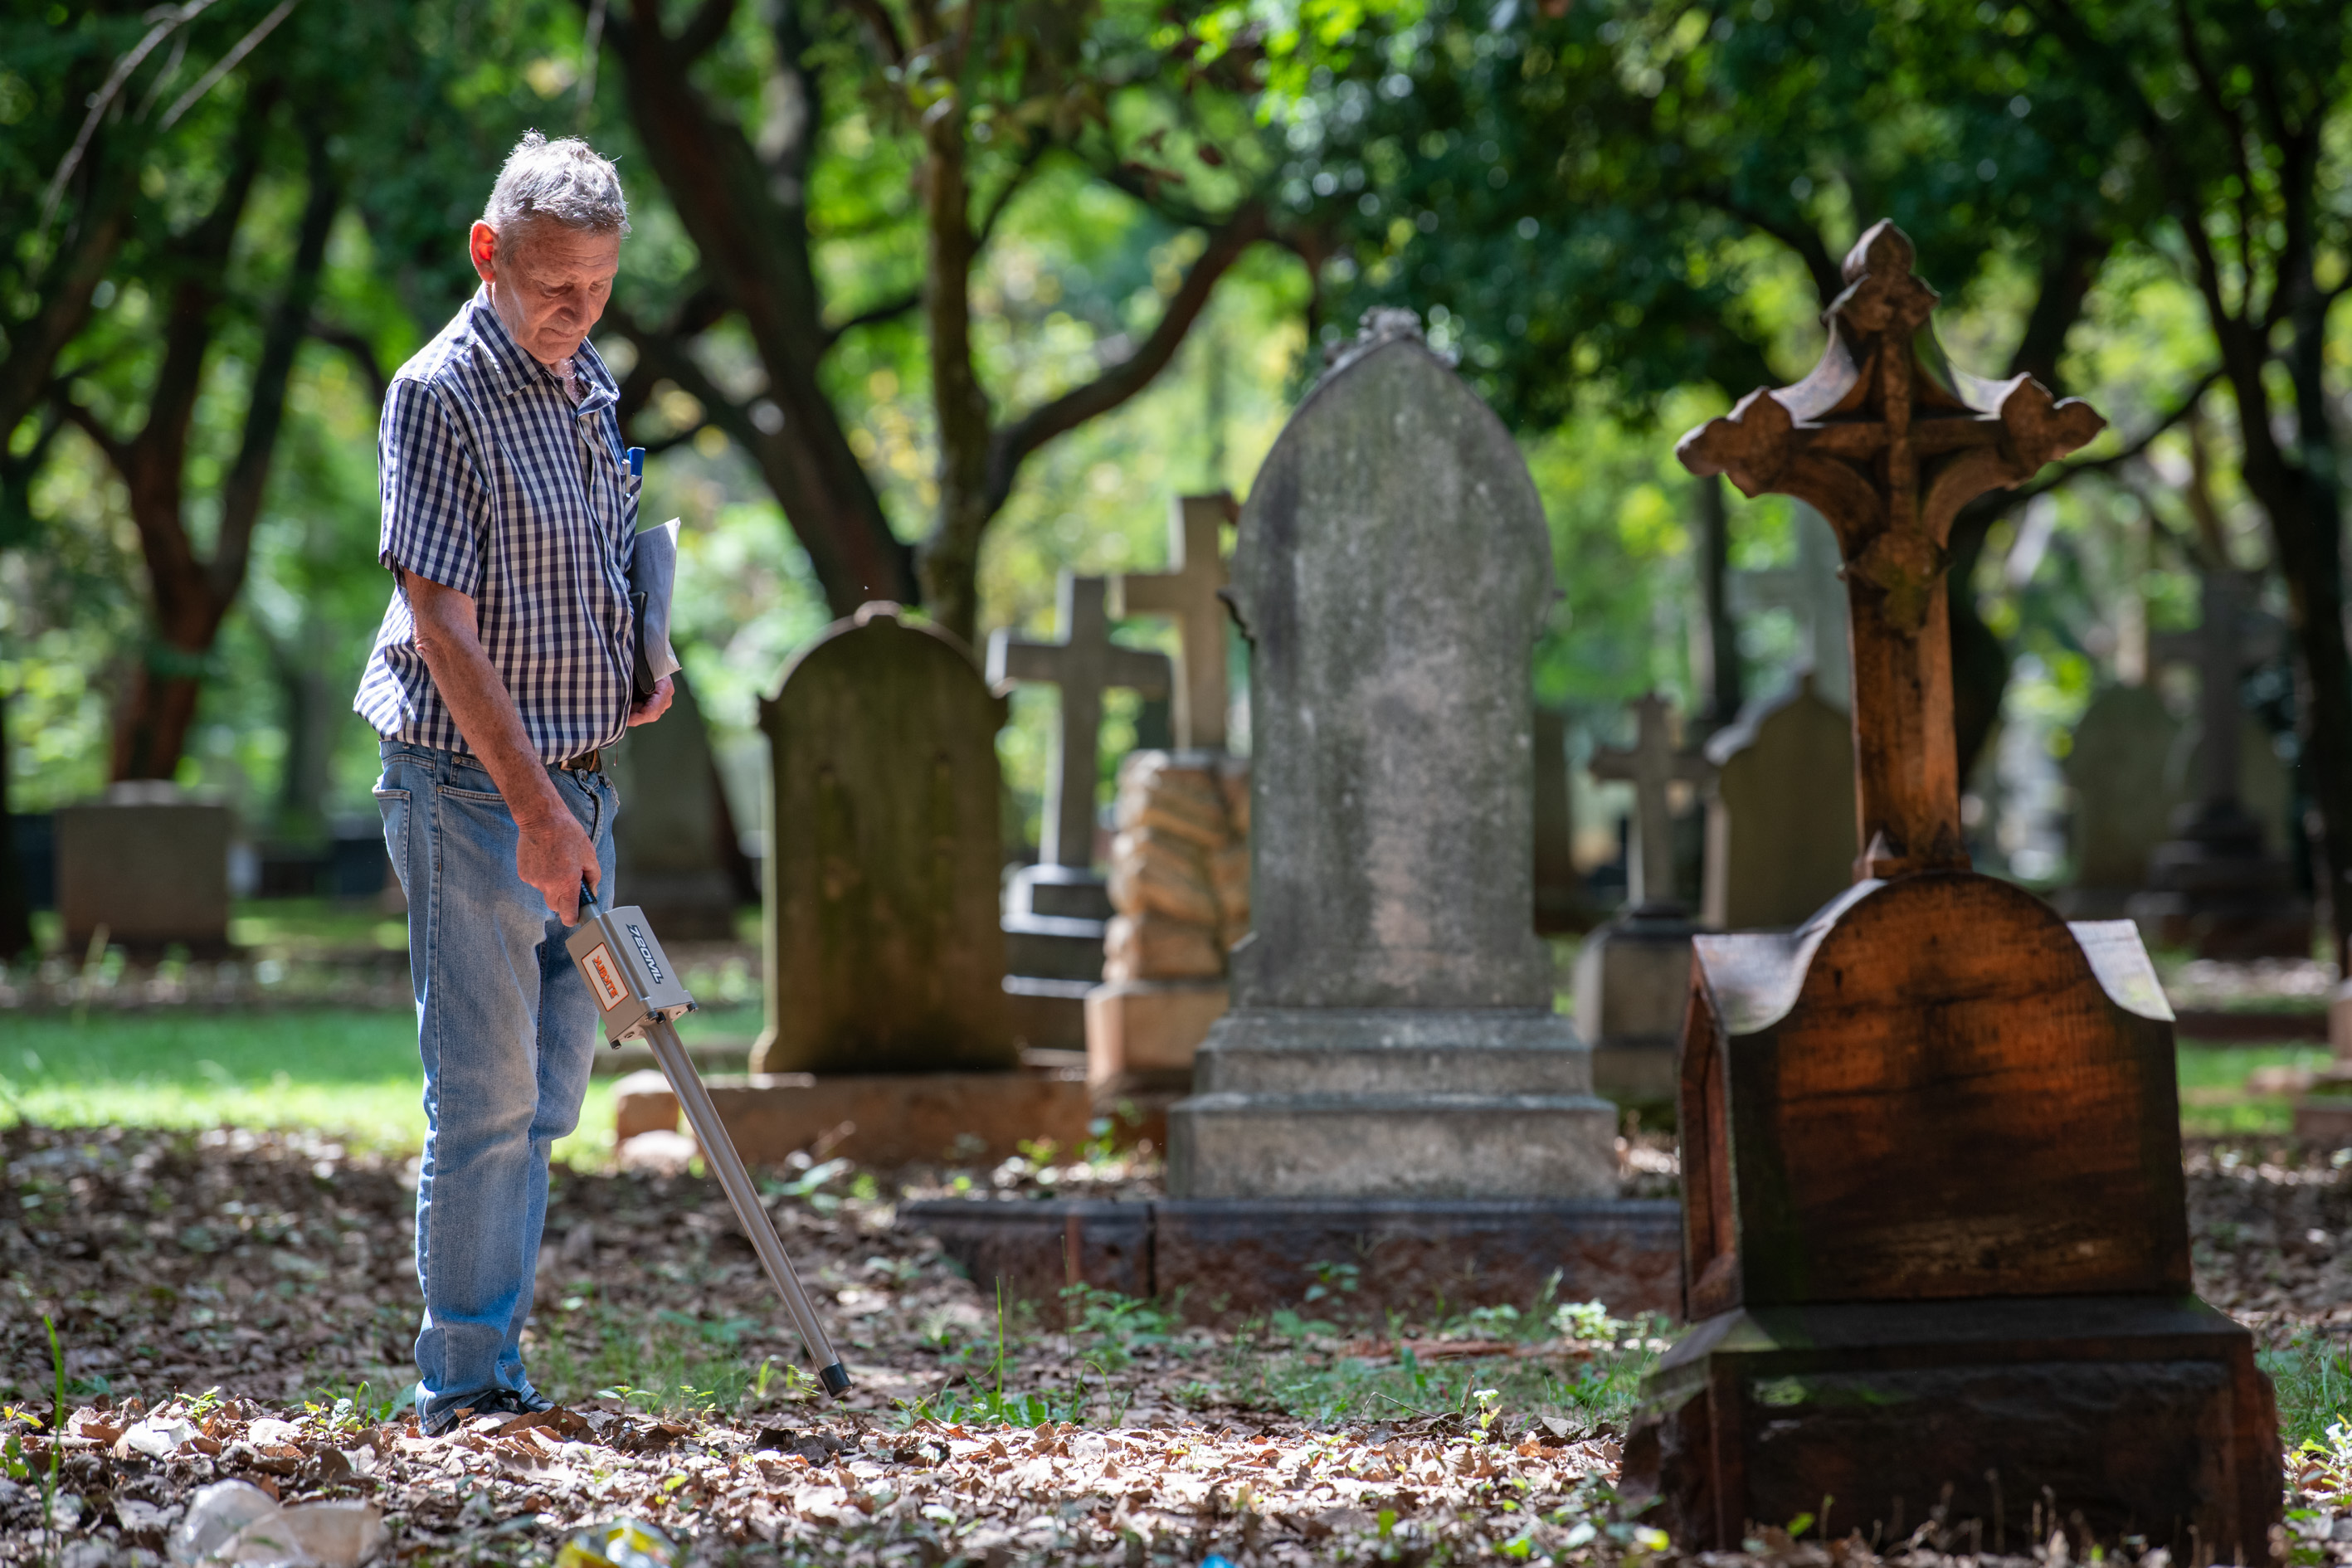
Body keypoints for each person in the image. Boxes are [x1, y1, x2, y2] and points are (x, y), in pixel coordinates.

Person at [353, 132, 674, 1435]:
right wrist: (538, 811)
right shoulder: (439, 394)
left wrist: (638, 655)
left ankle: (499, 1363)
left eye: (597, 286)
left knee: (546, 1096)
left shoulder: (585, 380)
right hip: (474, 790)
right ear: (490, 253)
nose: (575, 310)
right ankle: (464, 1382)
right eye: (552, 285)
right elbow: (441, 624)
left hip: (580, 786)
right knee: (484, 1096)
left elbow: (584, 560)